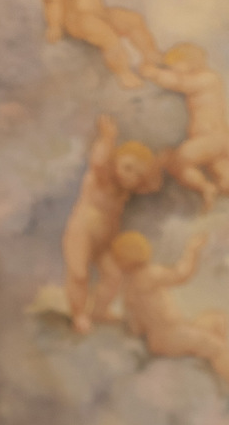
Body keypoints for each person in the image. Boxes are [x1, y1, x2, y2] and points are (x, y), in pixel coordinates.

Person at [104, 230, 229, 392]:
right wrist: (191, 250)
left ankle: (227, 369)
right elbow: (181, 274)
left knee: (217, 319)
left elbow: (136, 324)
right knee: (216, 345)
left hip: (171, 333)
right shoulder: (149, 274)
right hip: (170, 336)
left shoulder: (129, 285)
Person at [142, 45, 229, 215]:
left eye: (175, 65)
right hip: (216, 142)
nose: (173, 69)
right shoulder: (204, 79)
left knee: (179, 160)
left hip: (212, 139)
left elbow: (180, 83)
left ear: (189, 62)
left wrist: (154, 74)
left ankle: (205, 188)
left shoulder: (207, 79)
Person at [62, 115, 162, 332]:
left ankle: (98, 311)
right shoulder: (102, 178)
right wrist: (108, 139)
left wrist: (158, 164)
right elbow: (97, 161)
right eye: (127, 168)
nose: (131, 176)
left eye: (137, 174)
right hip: (82, 233)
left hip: (105, 241)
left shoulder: (125, 190)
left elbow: (151, 184)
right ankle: (79, 314)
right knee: (79, 274)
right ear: (114, 162)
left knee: (113, 275)